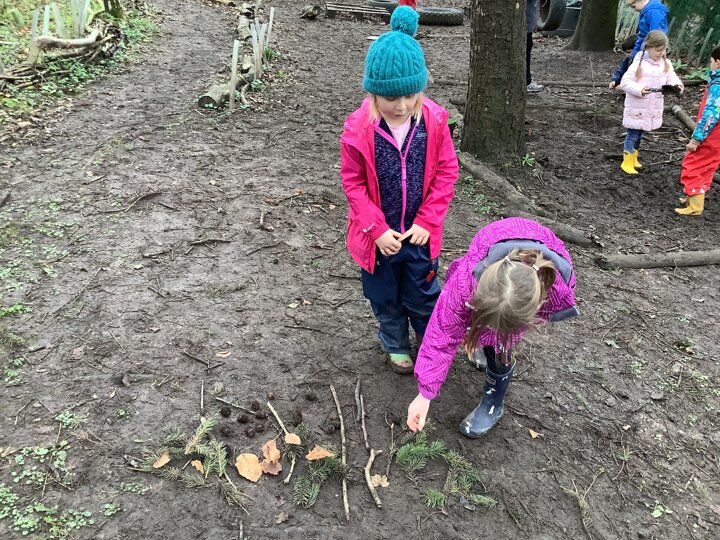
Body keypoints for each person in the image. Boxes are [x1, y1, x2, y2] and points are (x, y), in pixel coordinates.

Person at [340, 7, 459, 374]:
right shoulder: (358, 130)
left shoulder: (434, 122)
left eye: (409, 95)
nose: (402, 105)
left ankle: (430, 343)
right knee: (385, 298)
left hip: (420, 236)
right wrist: (375, 229)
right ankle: (394, 343)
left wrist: (428, 221)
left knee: (424, 296)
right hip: (378, 240)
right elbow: (353, 183)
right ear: (373, 92)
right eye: (391, 97)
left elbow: (446, 171)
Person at [406, 218, 579, 438]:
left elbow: (538, 312)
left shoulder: (557, 287)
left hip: (533, 269)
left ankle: (493, 403)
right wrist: (425, 394)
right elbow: (443, 333)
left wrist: (503, 331)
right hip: (493, 238)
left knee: (502, 344)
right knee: (465, 321)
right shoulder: (463, 284)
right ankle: (480, 336)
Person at [618, 30, 683, 175]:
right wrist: (640, 89)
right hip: (637, 107)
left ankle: (634, 158)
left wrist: (676, 85)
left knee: (640, 134)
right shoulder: (639, 63)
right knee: (633, 134)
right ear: (648, 47)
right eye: (658, 50)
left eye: (663, 50)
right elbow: (625, 82)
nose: (661, 53)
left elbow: (671, 77)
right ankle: (626, 161)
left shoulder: (665, 63)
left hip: (651, 107)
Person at [675, 44, 720, 216]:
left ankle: (695, 206)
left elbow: (711, 115)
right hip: (717, 139)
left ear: (717, 62)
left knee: (693, 164)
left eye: (711, 61)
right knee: (707, 167)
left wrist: (696, 139)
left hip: (711, 136)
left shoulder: (717, 86)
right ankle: (693, 195)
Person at [610, 0, 668, 88]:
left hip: (651, 50)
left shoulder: (655, 12)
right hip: (645, 48)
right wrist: (634, 54)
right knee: (629, 62)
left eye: (634, 6)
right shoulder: (645, 12)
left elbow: (656, 37)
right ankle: (622, 83)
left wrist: (645, 52)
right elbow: (641, 36)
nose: (634, 9)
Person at [526, 0, 544, 93]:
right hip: (524, 24)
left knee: (527, 47)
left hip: (527, 24)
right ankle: (527, 81)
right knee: (526, 49)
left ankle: (527, 80)